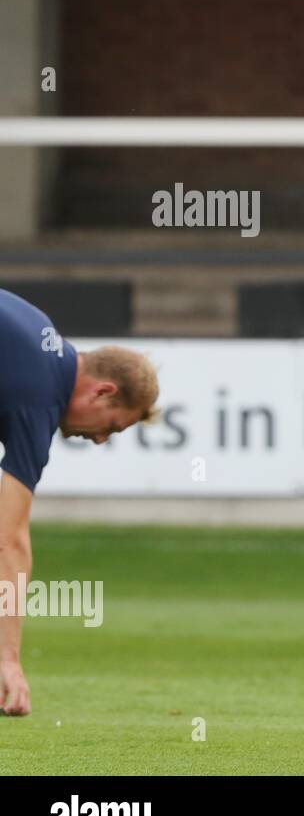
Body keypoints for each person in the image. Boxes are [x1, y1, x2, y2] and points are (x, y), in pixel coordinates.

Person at [0, 288, 160, 716]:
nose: (100, 439)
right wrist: (9, 660)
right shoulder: (40, 395)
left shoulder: (39, 332)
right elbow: (9, 541)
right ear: (102, 391)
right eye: (112, 426)